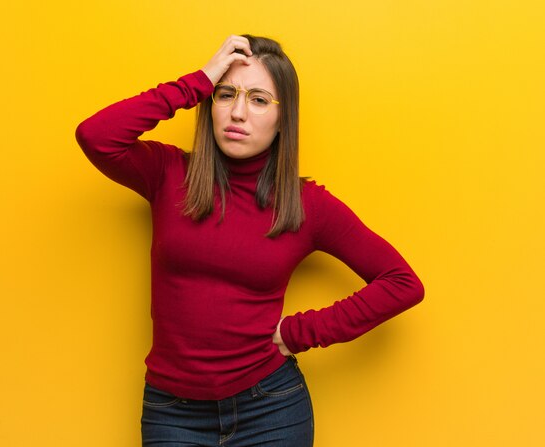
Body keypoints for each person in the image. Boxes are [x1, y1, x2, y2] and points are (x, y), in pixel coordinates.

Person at [75, 34, 424, 447]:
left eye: (259, 100)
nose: (237, 112)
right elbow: (96, 136)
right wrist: (197, 81)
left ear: (283, 119)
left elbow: (402, 283)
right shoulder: (168, 174)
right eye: (226, 95)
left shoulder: (306, 204)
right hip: (173, 412)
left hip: (270, 408)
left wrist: (301, 332)